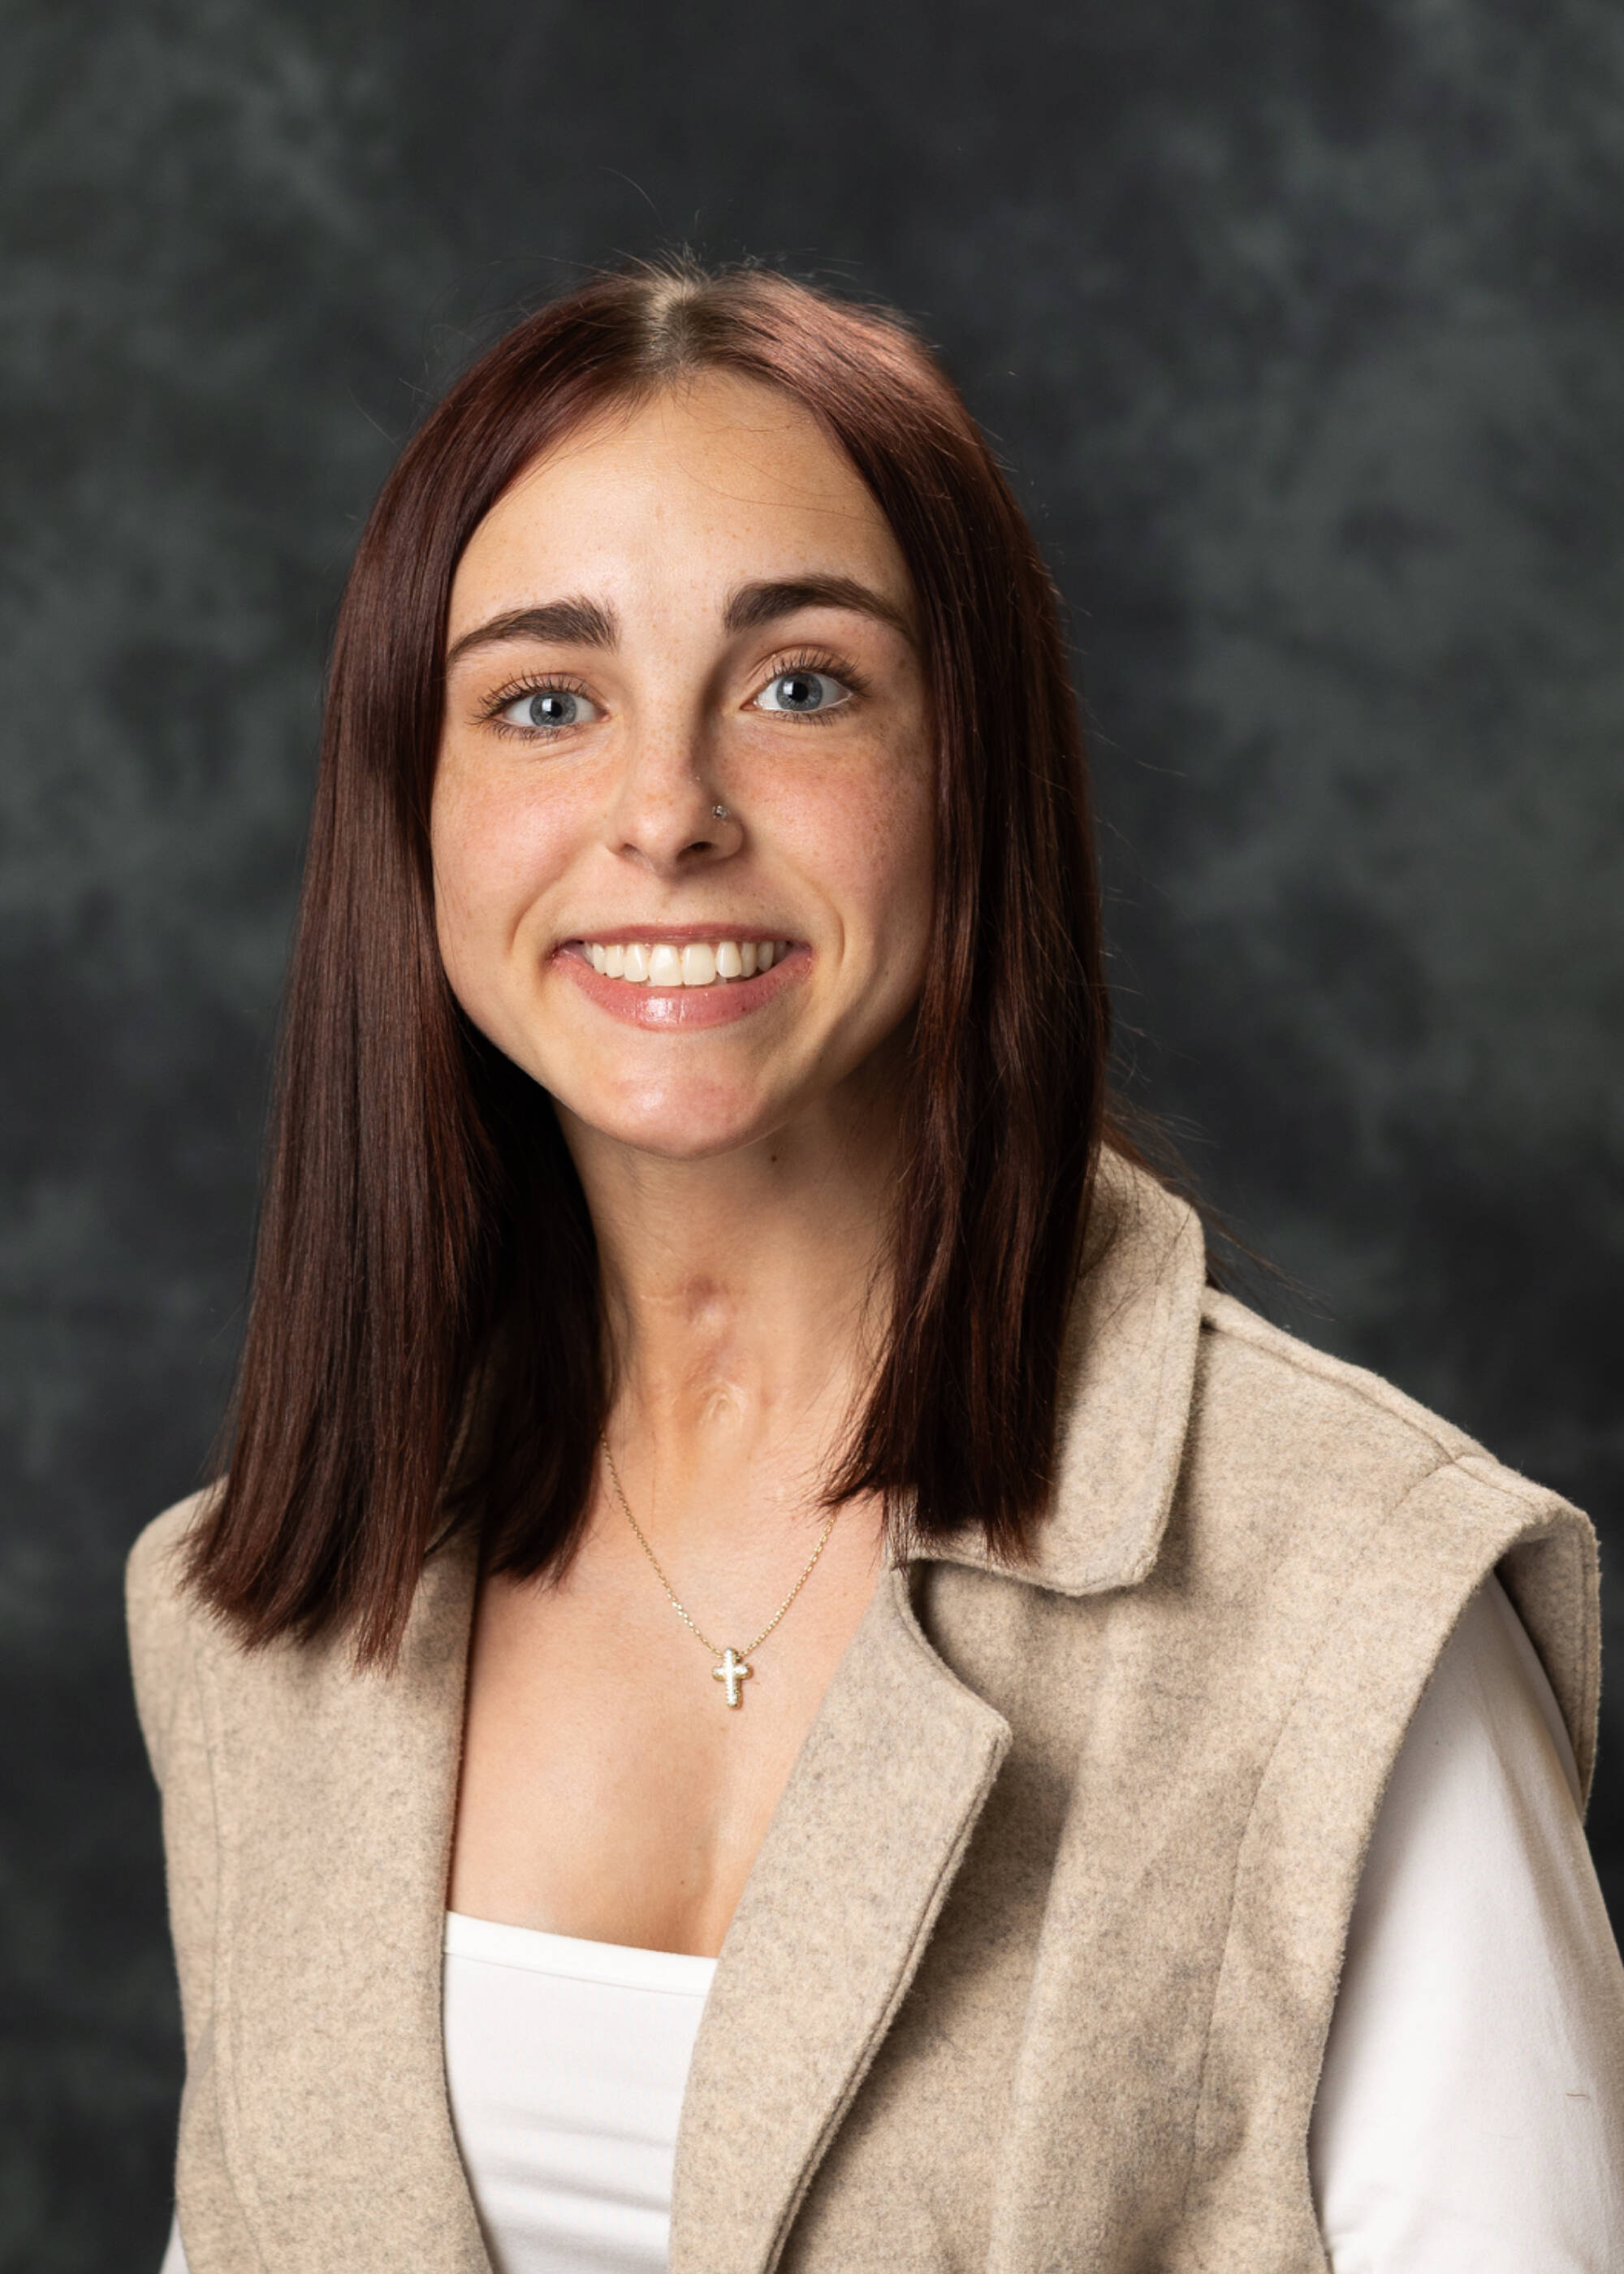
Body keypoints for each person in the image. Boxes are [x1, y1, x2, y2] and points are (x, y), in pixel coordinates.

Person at [129, 261, 1624, 2274]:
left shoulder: (1349, 1605)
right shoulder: (256, 1620)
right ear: (412, 804)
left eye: (800, 685)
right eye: (545, 702)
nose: (665, 813)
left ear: (971, 771)